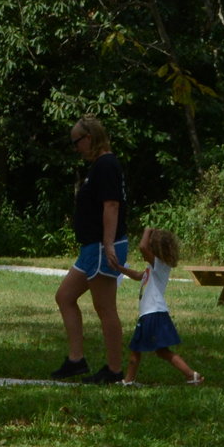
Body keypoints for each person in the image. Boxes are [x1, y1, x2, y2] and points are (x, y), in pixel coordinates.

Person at [52, 115, 130, 381]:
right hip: (90, 249)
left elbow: (112, 205)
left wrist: (108, 244)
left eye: (77, 142)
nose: (76, 148)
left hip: (101, 247)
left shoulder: (106, 164)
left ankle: (114, 369)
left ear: (90, 138)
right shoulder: (98, 165)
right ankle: (76, 360)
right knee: (64, 296)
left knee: (105, 307)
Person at [126, 227, 203, 384]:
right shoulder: (153, 267)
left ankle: (128, 380)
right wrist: (118, 268)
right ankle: (191, 375)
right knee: (161, 351)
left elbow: (142, 247)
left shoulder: (159, 264)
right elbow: (137, 275)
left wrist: (146, 230)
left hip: (152, 313)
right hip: (154, 312)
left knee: (137, 349)